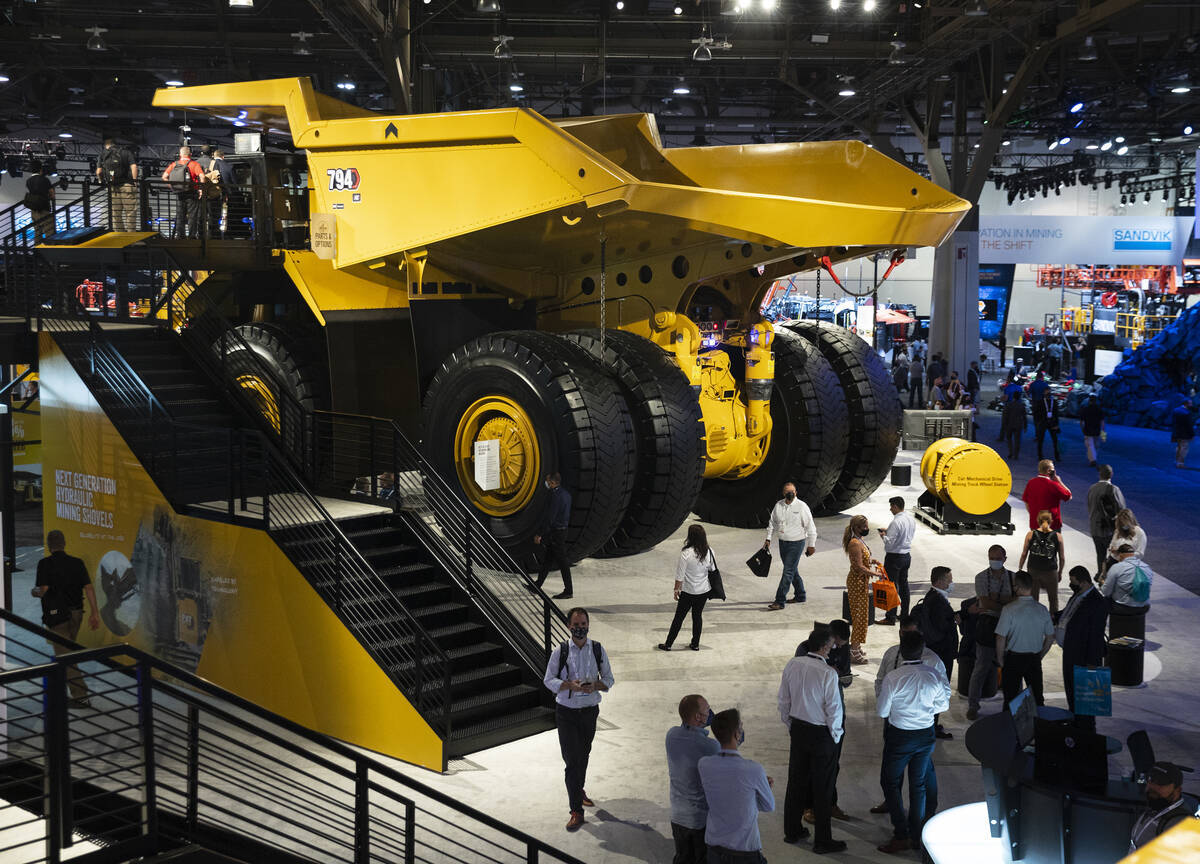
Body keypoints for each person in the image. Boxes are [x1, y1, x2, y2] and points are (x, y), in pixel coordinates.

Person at [875, 631, 952, 855]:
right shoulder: (933, 674)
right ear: (922, 649)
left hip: (900, 737)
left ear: (901, 649)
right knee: (918, 785)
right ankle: (917, 835)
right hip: (925, 735)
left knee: (889, 782)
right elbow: (942, 706)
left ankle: (901, 834)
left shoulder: (894, 678)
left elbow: (882, 711)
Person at [543, 607, 614, 831]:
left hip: (589, 711)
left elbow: (609, 679)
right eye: (576, 624)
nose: (580, 628)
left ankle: (578, 789)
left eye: (584, 624)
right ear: (568, 626)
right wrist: (568, 685)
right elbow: (548, 679)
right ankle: (576, 810)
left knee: (583, 755)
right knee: (572, 762)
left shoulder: (597, 649)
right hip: (566, 712)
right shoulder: (560, 651)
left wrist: (596, 686)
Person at [778, 629, 847, 854]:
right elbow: (834, 710)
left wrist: (790, 724)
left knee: (796, 782)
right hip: (821, 735)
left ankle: (792, 830)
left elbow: (784, 700)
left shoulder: (793, 664)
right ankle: (823, 840)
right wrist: (835, 736)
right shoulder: (828, 673)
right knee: (822, 787)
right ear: (825, 648)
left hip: (798, 730)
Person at [697, 708, 775, 864]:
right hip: (745, 852)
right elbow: (768, 806)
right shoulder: (754, 770)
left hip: (714, 848)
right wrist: (756, 792)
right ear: (737, 734)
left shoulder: (704, 764)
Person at [32, 530, 100, 707]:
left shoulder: (45, 564)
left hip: (58, 617)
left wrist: (34, 592)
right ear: (64, 544)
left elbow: (43, 590)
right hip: (77, 615)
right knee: (68, 653)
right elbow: (89, 589)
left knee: (66, 657)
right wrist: (94, 613)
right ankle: (69, 689)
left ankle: (81, 696)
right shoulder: (77, 563)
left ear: (49, 545)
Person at [666, 694, 721, 864]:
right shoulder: (710, 746)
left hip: (677, 816)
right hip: (699, 819)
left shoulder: (671, 735)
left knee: (682, 858)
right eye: (707, 709)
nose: (710, 712)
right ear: (698, 716)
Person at [967, 545, 1015, 720]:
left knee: (1012, 668)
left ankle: (1011, 707)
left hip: (1008, 627)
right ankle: (973, 705)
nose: (994, 561)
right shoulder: (981, 577)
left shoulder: (1013, 577)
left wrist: (994, 599)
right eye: (991, 557)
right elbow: (986, 603)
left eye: (998, 558)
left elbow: (1014, 601)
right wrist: (1005, 603)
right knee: (981, 668)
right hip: (988, 627)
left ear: (1004, 559)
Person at [1056, 566, 1108, 731]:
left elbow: (1096, 636)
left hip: (1084, 658)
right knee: (1072, 693)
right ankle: (1075, 725)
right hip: (1070, 653)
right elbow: (1067, 613)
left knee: (1085, 702)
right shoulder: (1078, 595)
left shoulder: (1098, 603)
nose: (1071, 585)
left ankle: (1086, 732)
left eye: (1073, 581)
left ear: (1083, 581)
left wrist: (1093, 663)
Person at [995, 571, 1055, 708]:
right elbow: (1050, 637)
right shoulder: (1042, 609)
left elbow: (1000, 637)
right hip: (1033, 659)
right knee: (1037, 697)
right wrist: (1040, 655)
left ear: (1018, 588)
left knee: (1010, 698)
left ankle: (1010, 726)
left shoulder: (1009, 609)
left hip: (1013, 659)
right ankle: (1038, 726)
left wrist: (1000, 660)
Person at [660, 524, 715, 651]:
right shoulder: (710, 551)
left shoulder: (686, 553)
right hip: (703, 591)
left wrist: (676, 590)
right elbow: (713, 569)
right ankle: (695, 644)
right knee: (697, 617)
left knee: (678, 618)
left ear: (690, 537)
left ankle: (668, 644)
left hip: (688, 591)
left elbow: (679, 575)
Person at [917, 566, 958, 739]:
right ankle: (931, 726)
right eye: (949, 579)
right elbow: (942, 627)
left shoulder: (934, 597)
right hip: (941, 653)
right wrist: (955, 619)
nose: (951, 583)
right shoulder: (937, 601)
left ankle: (932, 724)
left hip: (937, 652)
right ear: (940, 581)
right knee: (938, 689)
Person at [764, 481, 816, 611]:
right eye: (787, 491)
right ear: (783, 493)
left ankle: (779, 600)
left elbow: (810, 526)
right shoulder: (778, 505)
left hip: (797, 543)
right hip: (783, 543)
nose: (790, 493)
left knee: (787, 571)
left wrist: (811, 545)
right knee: (792, 570)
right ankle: (800, 594)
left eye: (792, 491)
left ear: (796, 492)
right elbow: (772, 523)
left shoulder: (802, 506)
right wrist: (768, 538)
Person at [1129, 762, 1199, 852]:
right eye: (1150, 780)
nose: (1152, 786)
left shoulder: (1180, 824)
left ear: (1177, 790)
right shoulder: (1157, 805)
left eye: (1161, 783)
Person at [843, 514, 882, 664]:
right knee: (859, 617)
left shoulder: (860, 540)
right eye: (864, 527)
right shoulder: (854, 543)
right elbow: (858, 566)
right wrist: (875, 573)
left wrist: (873, 561)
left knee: (863, 616)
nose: (867, 529)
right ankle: (853, 651)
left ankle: (856, 645)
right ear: (856, 528)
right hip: (856, 582)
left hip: (862, 582)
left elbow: (862, 559)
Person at [533, 472, 573, 599]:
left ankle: (568, 591)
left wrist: (540, 534)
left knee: (562, 562)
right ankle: (537, 585)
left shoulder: (555, 496)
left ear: (552, 482)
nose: (546, 483)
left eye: (547, 481)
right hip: (563, 530)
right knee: (548, 560)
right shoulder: (566, 494)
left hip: (557, 533)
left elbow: (550, 517)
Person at [1017, 510, 1064, 615]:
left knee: (1033, 598)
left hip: (1033, 569)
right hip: (1050, 571)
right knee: (1053, 599)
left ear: (1038, 521)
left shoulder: (1030, 534)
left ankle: (1034, 619)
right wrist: (1060, 572)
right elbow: (1062, 557)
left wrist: (1020, 567)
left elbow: (1024, 553)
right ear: (1051, 521)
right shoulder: (1058, 536)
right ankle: (1053, 620)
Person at [878, 497, 915, 624]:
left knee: (891, 587)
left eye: (891, 506)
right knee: (904, 586)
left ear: (895, 506)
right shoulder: (910, 519)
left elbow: (889, 544)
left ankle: (890, 617)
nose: (890, 509)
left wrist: (883, 536)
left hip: (894, 558)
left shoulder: (896, 522)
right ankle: (904, 615)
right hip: (906, 556)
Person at [1086, 465, 1125, 577]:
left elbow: (1089, 507)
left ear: (1100, 474)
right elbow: (1122, 509)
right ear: (1111, 474)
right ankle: (1111, 577)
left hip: (1094, 528)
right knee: (1115, 555)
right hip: (1109, 529)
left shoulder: (1092, 488)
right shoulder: (1113, 489)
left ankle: (1101, 574)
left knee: (1100, 554)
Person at [160, 145, 204, 239]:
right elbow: (202, 176)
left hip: (179, 192)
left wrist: (172, 186)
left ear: (180, 154)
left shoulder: (174, 164)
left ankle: (180, 236)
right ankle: (192, 236)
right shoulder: (194, 164)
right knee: (192, 216)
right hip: (192, 193)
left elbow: (164, 176)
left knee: (180, 215)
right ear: (190, 154)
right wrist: (201, 189)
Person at [96, 136, 139, 231]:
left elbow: (98, 172)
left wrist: (101, 181)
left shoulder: (103, 155)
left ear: (106, 145)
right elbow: (134, 167)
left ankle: (119, 235)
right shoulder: (126, 152)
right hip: (127, 185)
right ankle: (131, 237)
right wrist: (134, 182)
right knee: (130, 212)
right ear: (115, 143)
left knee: (116, 213)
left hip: (113, 187)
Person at [1100, 544, 1155, 613]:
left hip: (1122, 607)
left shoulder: (1116, 567)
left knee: (1102, 600)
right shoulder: (1147, 567)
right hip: (1144, 607)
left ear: (1120, 555)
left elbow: (1106, 592)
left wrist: (1102, 583)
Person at [1020, 459, 1072, 531]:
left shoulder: (1031, 482)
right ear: (1049, 471)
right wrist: (1059, 481)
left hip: (1034, 523)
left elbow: (1026, 501)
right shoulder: (1053, 485)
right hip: (1052, 524)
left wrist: (1033, 514)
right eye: (1053, 469)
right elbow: (1068, 496)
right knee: (1056, 541)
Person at [202, 147, 236, 237]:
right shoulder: (229, 166)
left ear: (214, 156)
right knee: (222, 215)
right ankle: (222, 235)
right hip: (225, 195)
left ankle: (209, 234)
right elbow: (234, 183)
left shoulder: (209, 164)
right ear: (223, 157)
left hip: (210, 194)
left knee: (209, 215)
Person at [24, 161, 55, 243]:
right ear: (40, 169)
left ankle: (37, 253)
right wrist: (51, 197)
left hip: (34, 209)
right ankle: (51, 253)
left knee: (37, 232)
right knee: (49, 232)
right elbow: (52, 193)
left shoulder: (28, 181)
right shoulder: (45, 179)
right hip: (44, 208)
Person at [1032, 390, 1061, 462]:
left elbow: (1056, 413)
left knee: (1055, 440)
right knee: (1041, 440)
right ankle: (1040, 455)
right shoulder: (1041, 402)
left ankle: (1056, 455)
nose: (1048, 395)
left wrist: (1057, 424)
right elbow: (1036, 413)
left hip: (1051, 422)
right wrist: (1038, 422)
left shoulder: (1053, 402)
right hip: (1043, 422)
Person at [1079, 394, 1106, 466]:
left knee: (1090, 445)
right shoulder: (1099, 410)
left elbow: (1081, 422)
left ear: (1089, 401)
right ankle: (1093, 458)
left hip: (1087, 430)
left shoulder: (1085, 409)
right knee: (1096, 445)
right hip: (1097, 430)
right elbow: (1102, 422)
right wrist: (1103, 434)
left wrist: (1082, 429)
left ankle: (1092, 459)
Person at [1001, 392, 1027, 461]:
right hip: (1018, 425)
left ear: (1013, 397)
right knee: (1017, 440)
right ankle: (1016, 454)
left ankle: (1010, 452)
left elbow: (1005, 415)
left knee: (1009, 439)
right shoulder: (1021, 405)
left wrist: (1004, 424)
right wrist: (1025, 426)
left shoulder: (1009, 404)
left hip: (1009, 424)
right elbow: (1024, 417)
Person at [1171, 398, 1194, 468]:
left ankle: (1176, 460)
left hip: (1176, 432)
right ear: (1186, 404)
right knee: (1184, 448)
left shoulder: (1175, 410)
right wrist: (1192, 434)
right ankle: (1180, 462)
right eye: (1190, 403)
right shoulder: (1187, 413)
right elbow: (1189, 425)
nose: (1191, 404)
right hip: (1185, 433)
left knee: (1178, 447)